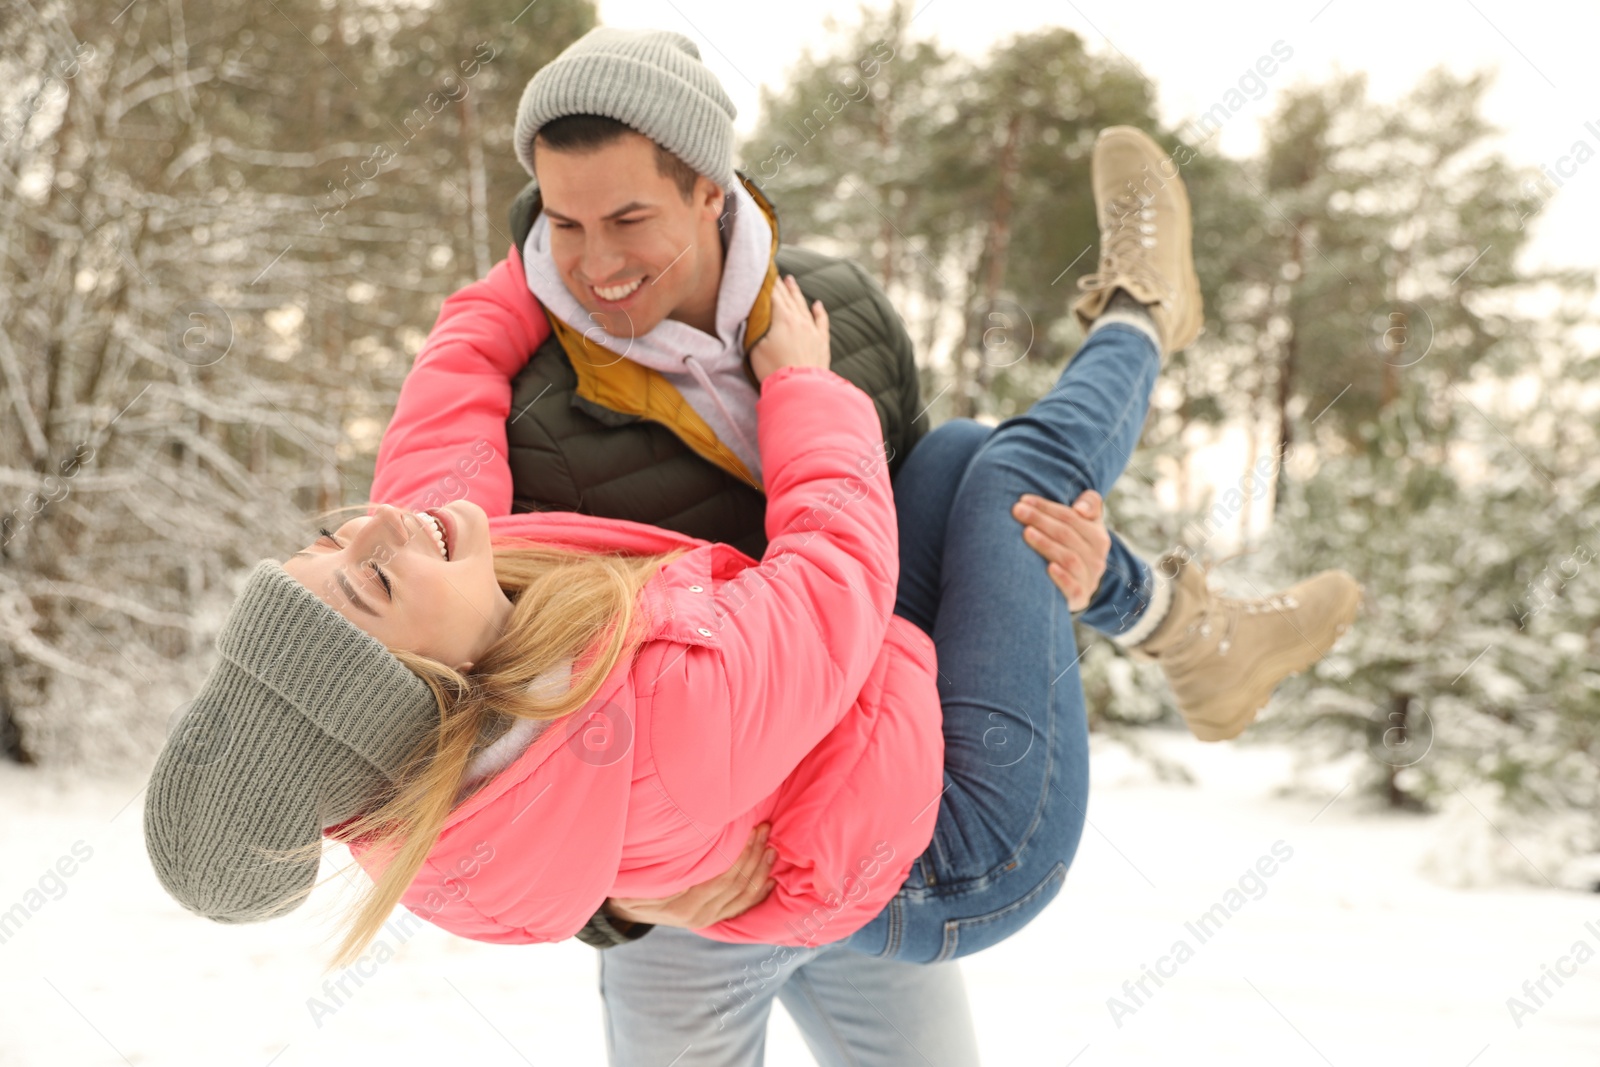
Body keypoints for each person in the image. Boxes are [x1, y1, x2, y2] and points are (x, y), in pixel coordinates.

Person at [143, 30, 1361, 1067]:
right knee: (1002, 475)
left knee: (969, 468)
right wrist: (799, 391)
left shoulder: (475, 545)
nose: (596, 259)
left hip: (856, 768)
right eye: (564, 224)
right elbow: (825, 581)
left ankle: (1167, 616)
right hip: (738, 881)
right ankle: (1143, 330)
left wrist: (1048, 578)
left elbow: (895, 524)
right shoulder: (551, 442)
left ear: (713, 193)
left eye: (624, 216)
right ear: (413, 674)